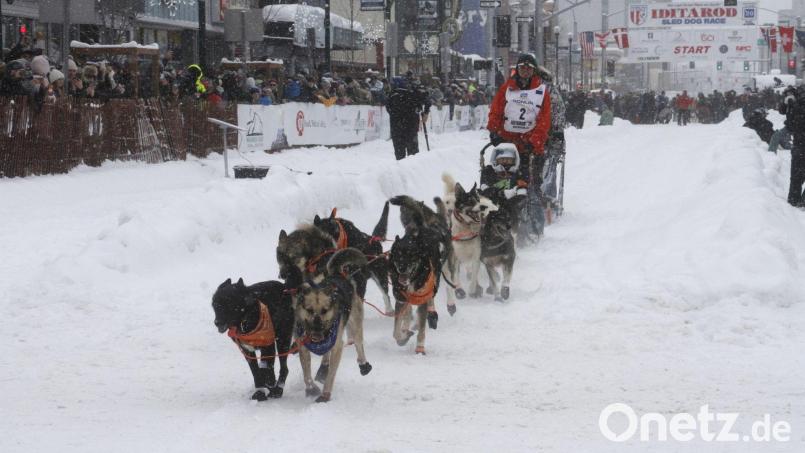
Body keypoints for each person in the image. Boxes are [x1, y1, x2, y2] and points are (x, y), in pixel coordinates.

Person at [386, 76, 430, 160]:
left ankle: (401, 167)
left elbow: (389, 110)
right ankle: (413, 166)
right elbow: (427, 100)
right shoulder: (412, 94)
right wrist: (426, 112)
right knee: (413, 155)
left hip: (397, 129)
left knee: (400, 155)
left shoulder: (391, 96)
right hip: (411, 128)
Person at [780, 85, 805, 207]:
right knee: (797, 175)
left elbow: (790, 126)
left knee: (796, 176)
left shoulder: (796, 106)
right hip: (799, 144)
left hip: (799, 144)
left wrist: (791, 106)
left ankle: (794, 201)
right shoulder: (796, 106)